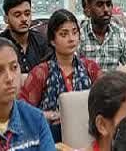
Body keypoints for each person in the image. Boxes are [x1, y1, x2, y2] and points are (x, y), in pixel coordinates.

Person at [19, 10, 101, 141]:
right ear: (52, 40)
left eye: (75, 32)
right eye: (64, 34)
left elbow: (105, 100)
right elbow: (22, 109)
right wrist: (48, 115)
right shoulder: (41, 72)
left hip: (86, 135)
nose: (71, 38)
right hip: (50, 136)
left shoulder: (90, 68)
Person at [78, 0, 126, 71]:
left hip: (113, 83)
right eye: (100, 5)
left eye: (108, 4)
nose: (106, 10)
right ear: (88, 8)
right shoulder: (79, 35)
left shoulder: (120, 33)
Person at [0, 0, 48, 74]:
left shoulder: (42, 41)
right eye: (17, 15)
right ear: (6, 19)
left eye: (27, 14)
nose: (24, 19)